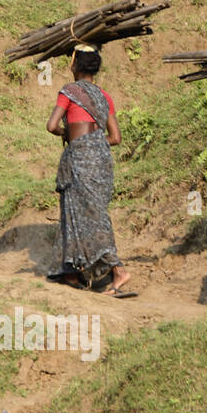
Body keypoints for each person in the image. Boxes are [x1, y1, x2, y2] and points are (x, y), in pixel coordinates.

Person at [44, 44, 135, 298]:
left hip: (81, 158)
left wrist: (68, 135)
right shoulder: (104, 96)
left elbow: (51, 125)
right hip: (102, 161)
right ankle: (71, 271)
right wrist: (94, 142)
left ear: (75, 65)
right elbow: (115, 137)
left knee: (86, 214)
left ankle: (118, 270)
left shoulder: (69, 91)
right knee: (93, 211)